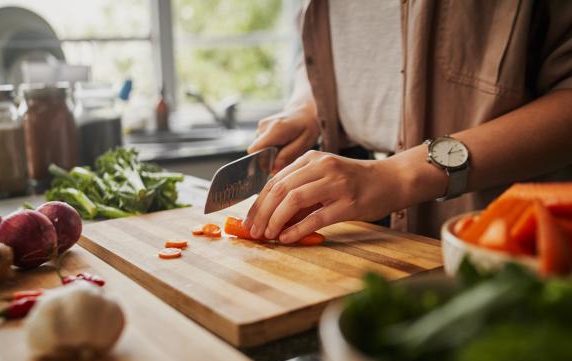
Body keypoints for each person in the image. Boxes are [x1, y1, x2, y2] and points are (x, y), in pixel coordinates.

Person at [243, 0, 572, 244]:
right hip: (355, 206)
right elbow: (327, 46)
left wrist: (399, 175)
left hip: (498, 224)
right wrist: (307, 105)